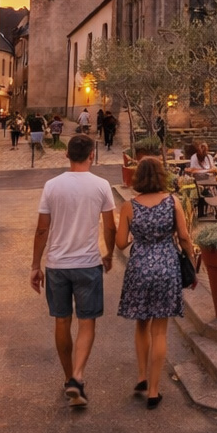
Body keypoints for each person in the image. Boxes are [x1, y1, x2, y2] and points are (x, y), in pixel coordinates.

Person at [30, 135, 117, 408]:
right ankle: (78, 377)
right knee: (87, 322)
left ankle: (69, 377)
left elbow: (42, 228)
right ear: (92, 155)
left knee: (61, 321)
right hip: (88, 263)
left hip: (57, 265)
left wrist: (35, 265)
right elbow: (110, 227)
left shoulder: (52, 186)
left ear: (66, 155)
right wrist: (109, 253)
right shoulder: (102, 185)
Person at [116, 156, 194, 409]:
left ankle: (141, 376)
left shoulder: (129, 206)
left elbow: (120, 243)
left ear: (138, 177)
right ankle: (153, 390)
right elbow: (183, 236)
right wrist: (191, 264)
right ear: (162, 176)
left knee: (141, 323)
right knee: (160, 330)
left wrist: (134, 238)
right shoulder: (172, 202)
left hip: (139, 268)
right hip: (166, 267)